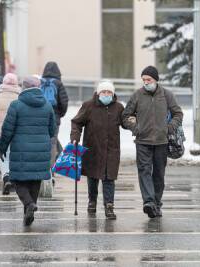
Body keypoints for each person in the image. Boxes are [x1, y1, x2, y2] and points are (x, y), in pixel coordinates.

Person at [122, 66, 183, 218]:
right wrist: (135, 128)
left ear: (156, 80)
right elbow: (125, 116)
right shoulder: (137, 95)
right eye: (144, 80)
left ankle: (156, 203)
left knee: (159, 174)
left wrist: (169, 127)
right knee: (144, 171)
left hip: (161, 142)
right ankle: (148, 202)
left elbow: (178, 113)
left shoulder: (166, 95)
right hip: (142, 141)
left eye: (148, 80)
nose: (146, 82)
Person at [0, 76, 56, 226]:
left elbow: (7, 130)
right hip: (41, 148)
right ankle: (28, 213)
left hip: (21, 148)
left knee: (17, 179)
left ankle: (29, 204)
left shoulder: (16, 105)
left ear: (23, 88)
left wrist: (2, 147)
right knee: (35, 179)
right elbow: (52, 130)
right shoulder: (47, 105)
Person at [70, 80, 124, 220]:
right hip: (93, 147)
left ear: (113, 94)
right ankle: (92, 201)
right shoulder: (88, 106)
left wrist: (135, 124)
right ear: (98, 93)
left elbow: (125, 122)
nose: (106, 94)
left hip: (111, 149)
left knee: (109, 178)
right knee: (93, 177)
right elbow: (76, 122)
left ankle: (109, 205)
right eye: (104, 92)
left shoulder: (118, 107)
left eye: (109, 92)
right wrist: (75, 137)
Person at [0, 73, 21, 195]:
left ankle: (6, 177)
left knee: (4, 157)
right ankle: (14, 178)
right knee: (14, 157)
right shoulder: (20, 98)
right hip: (17, 134)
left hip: (0, 134)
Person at [41, 61, 68, 167]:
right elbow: (64, 102)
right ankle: (50, 168)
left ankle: (41, 165)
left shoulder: (40, 82)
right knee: (52, 142)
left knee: (41, 142)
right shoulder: (58, 83)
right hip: (54, 118)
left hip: (40, 117)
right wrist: (59, 114)